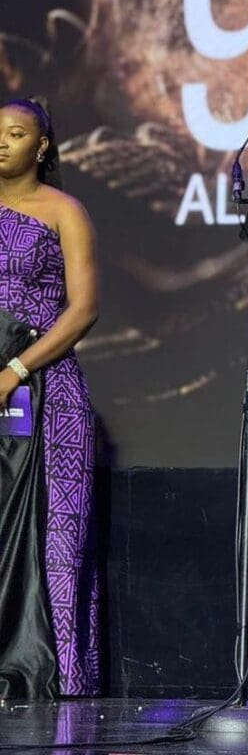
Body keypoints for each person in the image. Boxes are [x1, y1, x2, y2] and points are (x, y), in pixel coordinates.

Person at [0, 96, 100, 697]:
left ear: (41, 146)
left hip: (46, 389)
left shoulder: (63, 210)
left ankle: (49, 672)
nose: (1, 142)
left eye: (15, 134)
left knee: (52, 534)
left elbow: (84, 309)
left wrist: (15, 369)